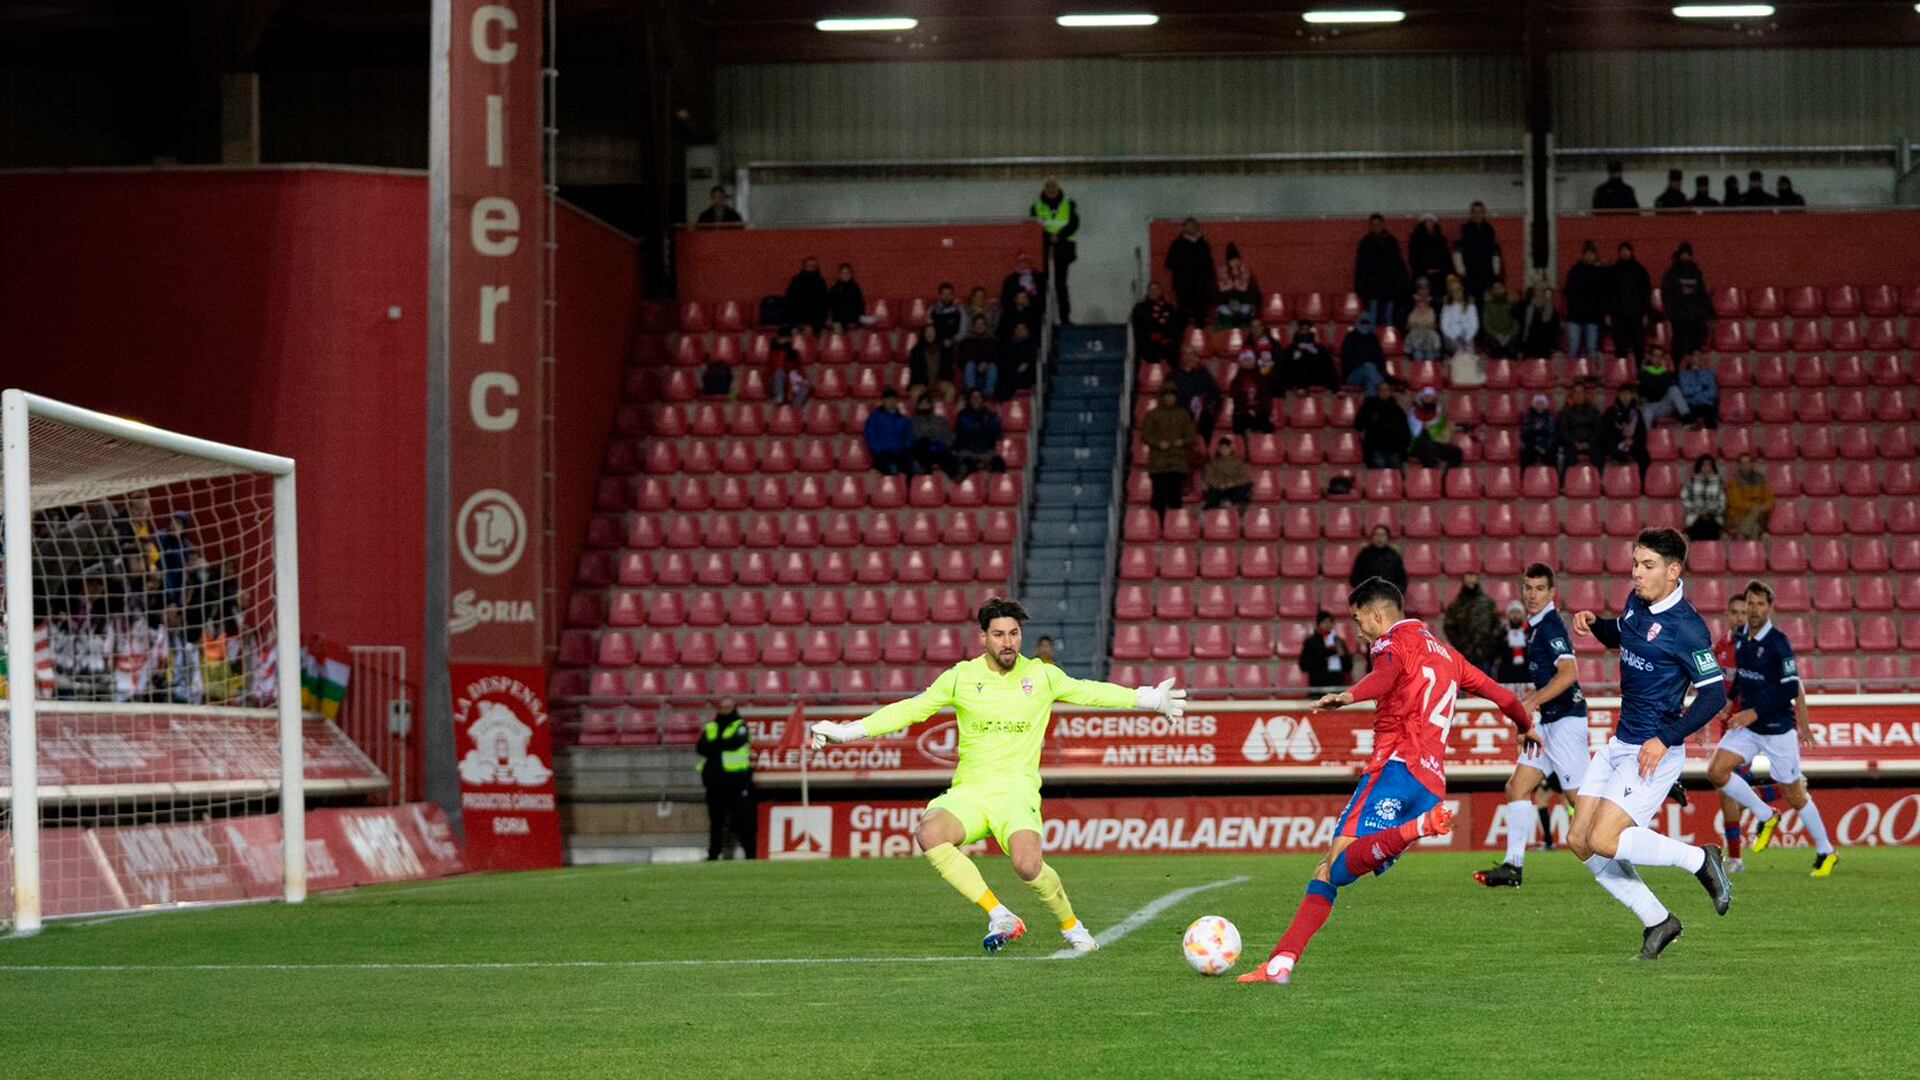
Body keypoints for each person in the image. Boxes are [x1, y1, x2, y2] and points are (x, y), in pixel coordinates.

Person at [809, 597, 1188, 954]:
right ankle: (999, 914)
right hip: (970, 792)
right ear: (983, 637)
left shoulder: (1042, 676)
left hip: (1016, 793)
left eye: (1014, 634)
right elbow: (912, 709)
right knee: (929, 834)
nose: (1008, 643)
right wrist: (849, 731)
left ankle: (1071, 926)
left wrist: (1149, 698)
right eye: (999, 635)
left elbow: (1090, 692)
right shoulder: (961, 677)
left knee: (1027, 866)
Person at [1239, 578, 1536, 985]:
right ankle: (1280, 963)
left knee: (1334, 870)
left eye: (1360, 622)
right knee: (1333, 868)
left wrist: (1349, 696)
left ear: (1378, 615)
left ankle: (1280, 964)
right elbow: (1502, 696)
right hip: (1431, 786)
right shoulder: (1450, 656)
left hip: (1395, 769)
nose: (1360, 632)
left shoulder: (1393, 644)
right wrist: (1525, 725)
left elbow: (1387, 675)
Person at [1567, 528, 1732, 960]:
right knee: (1579, 840)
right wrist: (1593, 625)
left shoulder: (1689, 629)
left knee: (1604, 840)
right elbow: (1623, 635)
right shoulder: (1636, 603)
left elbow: (1715, 695)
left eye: (1648, 565)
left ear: (1673, 571)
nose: (1636, 572)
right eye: (1636, 563)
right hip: (1621, 742)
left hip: (1652, 750)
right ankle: (1659, 920)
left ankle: (1700, 858)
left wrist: (1666, 738)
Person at [1708, 581, 1838, 877]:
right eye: (1750, 604)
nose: (1753, 610)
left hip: (1778, 729)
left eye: (1759, 604)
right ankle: (1766, 815)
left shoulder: (1779, 643)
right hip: (1749, 727)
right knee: (1716, 770)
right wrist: (1729, 702)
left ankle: (1826, 850)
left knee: (1795, 794)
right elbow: (1742, 677)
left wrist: (1754, 712)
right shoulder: (1741, 639)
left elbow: (1791, 686)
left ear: (1769, 608)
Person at [1475, 565, 1592, 888]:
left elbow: (1568, 673)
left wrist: (1532, 702)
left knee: (1580, 805)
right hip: (1550, 723)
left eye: (1539, 588)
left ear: (1552, 592)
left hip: (1566, 722)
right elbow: (1547, 677)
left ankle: (1624, 855)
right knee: (1517, 787)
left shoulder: (1551, 627)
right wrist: (1530, 700)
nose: (1532, 594)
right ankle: (1514, 866)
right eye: (1528, 587)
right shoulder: (1536, 627)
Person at [695, 698, 755, 860]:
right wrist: (720, 745)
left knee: (742, 820)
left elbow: (734, 743)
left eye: (728, 706)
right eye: (722, 707)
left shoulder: (739, 726)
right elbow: (700, 747)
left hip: (736, 781)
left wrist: (714, 746)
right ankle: (714, 853)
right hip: (714, 782)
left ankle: (751, 854)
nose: (725, 709)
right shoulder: (711, 727)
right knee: (716, 822)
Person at [1142, 388, 1197, 520]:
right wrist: (1158, 443)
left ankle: (1174, 527)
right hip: (1158, 463)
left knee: (1175, 497)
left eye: (1172, 395)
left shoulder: (1183, 414)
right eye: (1166, 395)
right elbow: (1145, 436)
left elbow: (1192, 436)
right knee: (1158, 497)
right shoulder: (1152, 414)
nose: (1169, 398)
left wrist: (1182, 442)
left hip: (1177, 462)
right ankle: (1156, 526)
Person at [1031, 177, 1078, 323]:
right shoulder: (1036, 206)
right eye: (1048, 186)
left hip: (1064, 249)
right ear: (1044, 188)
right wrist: (1049, 237)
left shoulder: (1069, 203)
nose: (1051, 189)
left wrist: (1059, 236)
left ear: (1058, 187)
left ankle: (1065, 318)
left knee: (1061, 285)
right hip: (1043, 250)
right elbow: (1032, 227)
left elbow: (1074, 223)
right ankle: (1043, 317)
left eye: (1053, 186)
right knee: (1042, 285)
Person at [1442, 572, 1503, 678]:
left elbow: (1497, 625)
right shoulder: (1456, 605)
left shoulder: (1488, 603)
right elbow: (1449, 627)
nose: (1470, 580)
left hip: (1486, 656)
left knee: (1488, 690)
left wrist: (1490, 645)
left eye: (1473, 576)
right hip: (1465, 656)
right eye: (1468, 577)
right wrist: (1461, 645)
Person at [1353, 212, 1409, 327]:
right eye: (1373, 225)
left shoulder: (1392, 242)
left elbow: (1398, 264)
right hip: (1372, 288)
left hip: (1390, 287)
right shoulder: (1365, 243)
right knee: (1372, 320)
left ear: (1383, 224)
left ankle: (1387, 342)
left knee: (1388, 320)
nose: (1376, 227)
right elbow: (1360, 267)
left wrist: (1402, 284)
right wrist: (1360, 286)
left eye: (1378, 224)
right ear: (1370, 226)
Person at [1661, 242, 1712, 363]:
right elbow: (1666, 294)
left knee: (1694, 346)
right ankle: (1677, 371)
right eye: (1683, 254)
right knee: (1678, 345)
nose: (1685, 257)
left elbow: (1702, 294)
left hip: (1694, 317)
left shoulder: (1697, 273)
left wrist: (1702, 312)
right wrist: (1670, 312)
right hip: (1678, 316)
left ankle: (1691, 372)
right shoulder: (1671, 274)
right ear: (1679, 255)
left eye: (1688, 254)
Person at [1164, 217, 1217, 328]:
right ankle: (1182, 342)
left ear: (1197, 227)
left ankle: (1200, 343)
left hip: (1200, 289)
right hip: (1183, 288)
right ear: (1183, 228)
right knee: (1183, 316)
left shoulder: (1203, 244)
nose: (1191, 228)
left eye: (1193, 226)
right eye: (1188, 225)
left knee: (1200, 317)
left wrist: (1208, 284)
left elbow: (1209, 266)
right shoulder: (1177, 244)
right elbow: (1169, 263)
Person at [1607, 241, 1653, 362]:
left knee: (1638, 345)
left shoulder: (1640, 270)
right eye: (1622, 251)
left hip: (1636, 314)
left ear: (1631, 252)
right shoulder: (1612, 271)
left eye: (1627, 250)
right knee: (1620, 346)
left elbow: (1646, 293)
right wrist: (1607, 313)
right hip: (1618, 315)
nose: (1624, 253)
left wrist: (1645, 313)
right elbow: (1607, 293)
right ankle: (1621, 372)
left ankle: (1639, 372)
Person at [1563, 241, 1608, 359]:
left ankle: (1591, 375)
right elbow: (1568, 292)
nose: (1589, 256)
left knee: (1591, 350)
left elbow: (1604, 294)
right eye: (1587, 253)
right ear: (1582, 255)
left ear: (1595, 255)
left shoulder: (1601, 272)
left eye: (1591, 254)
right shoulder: (1574, 271)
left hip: (1593, 317)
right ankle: (1572, 375)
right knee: (1573, 348)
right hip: (1575, 316)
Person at [1452, 201, 1502, 301]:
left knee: (1487, 302)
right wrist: (1461, 270)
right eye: (1474, 212)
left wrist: (1496, 269)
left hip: (1487, 274)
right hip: (1470, 275)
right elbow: (1457, 252)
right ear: (1471, 214)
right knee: (1471, 302)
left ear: (1484, 213)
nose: (1477, 215)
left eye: (1480, 212)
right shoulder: (1464, 230)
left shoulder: (1489, 230)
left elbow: (1495, 251)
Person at [1356, 379, 1410, 469]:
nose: (1384, 392)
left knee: (1394, 470)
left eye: (1387, 390)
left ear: (1390, 392)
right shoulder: (1368, 407)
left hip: (1393, 446)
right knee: (1379, 467)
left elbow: (1404, 430)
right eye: (1381, 390)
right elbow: (1358, 424)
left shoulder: (1397, 410)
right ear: (1377, 392)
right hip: (1374, 445)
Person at [1408, 387, 1464, 470]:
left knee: (1457, 452)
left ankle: (1447, 478)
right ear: (1422, 398)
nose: (1430, 400)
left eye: (1432, 398)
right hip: (1417, 444)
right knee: (1427, 448)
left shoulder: (1439, 412)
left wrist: (1453, 428)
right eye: (1427, 397)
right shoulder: (1414, 411)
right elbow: (1414, 428)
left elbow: (1443, 427)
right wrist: (1423, 426)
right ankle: (1432, 479)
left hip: (1435, 442)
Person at [953, 390, 1006, 477]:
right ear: (969, 400)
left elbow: (996, 426)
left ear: (982, 400)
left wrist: (983, 424)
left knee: (999, 464)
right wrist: (985, 424)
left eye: (978, 397)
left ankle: (995, 487)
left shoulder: (989, 414)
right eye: (973, 397)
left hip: (987, 451)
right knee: (966, 466)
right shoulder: (963, 415)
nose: (976, 399)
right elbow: (970, 428)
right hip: (968, 451)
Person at [1637, 343, 1692, 426]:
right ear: (1650, 357)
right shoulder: (1643, 373)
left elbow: (1665, 387)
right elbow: (1646, 391)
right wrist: (1655, 375)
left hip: (1663, 405)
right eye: (1655, 356)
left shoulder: (1666, 373)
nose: (1658, 359)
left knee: (1674, 389)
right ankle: (1647, 436)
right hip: (1649, 406)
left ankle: (1688, 419)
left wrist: (1663, 373)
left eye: (1660, 356)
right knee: (1647, 411)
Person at [864, 390, 917, 476]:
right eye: (888, 399)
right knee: (893, 470)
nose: (891, 402)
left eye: (894, 399)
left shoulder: (903, 419)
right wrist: (878, 450)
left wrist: (905, 446)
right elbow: (869, 436)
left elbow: (910, 435)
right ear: (883, 401)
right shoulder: (874, 417)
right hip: (882, 454)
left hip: (899, 453)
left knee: (914, 469)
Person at [1298, 610, 1354, 691]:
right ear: (1318, 625)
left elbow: (1348, 666)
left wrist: (1342, 655)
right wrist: (1328, 653)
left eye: (1330, 622)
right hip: (1319, 683)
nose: (1328, 625)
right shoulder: (1311, 642)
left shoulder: (1339, 641)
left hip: (1337, 682)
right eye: (1325, 622)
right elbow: (1304, 665)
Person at [1173, 347, 1222, 438]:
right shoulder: (1174, 375)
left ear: (1196, 357)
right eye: (1186, 354)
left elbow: (1215, 394)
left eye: (1192, 354)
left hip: (1201, 416)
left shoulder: (1204, 374)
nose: (1189, 358)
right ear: (1182, 357)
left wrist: (1205, 404)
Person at [1556, 381, 1605, 474]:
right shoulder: (1565, 411)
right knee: (1569, 457)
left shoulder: (1593, 411)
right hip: (1572, 443)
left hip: (1590, 442)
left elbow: (1598, 429)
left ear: (1586, 394)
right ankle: (1564, 484)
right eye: (1576, 393)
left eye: (1581, 392)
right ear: (1572, 394)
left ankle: (1599, 482)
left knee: (1598, 455)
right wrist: (1575, 442)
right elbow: (1563, 431)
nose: (1579, 395)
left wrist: (1589, 442)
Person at [1603, 384, 1650, 479]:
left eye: (1628, 394)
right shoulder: (1610, 411)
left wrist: (1633, 441)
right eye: (1622, 394)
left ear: (1632, 396)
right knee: (1616, 453)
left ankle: (1641, 483)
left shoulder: (1636, 413)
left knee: (1644, 456)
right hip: (1616, 443)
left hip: (1632, 443)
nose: (1625, 397)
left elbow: (1642, 433)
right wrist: (1621, 440)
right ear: (1618, 395)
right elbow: (1606, 432)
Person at [1131, 280, 1181, 367]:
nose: (1154, 292)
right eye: (1152, 290)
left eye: (1157, 289)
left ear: (1160, 291)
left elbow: (1174, 327)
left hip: (1165, 344)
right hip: (1147, 343)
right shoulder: (1140, 309)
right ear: (1148, 292)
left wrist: (1164, 337)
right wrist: (1150, 336)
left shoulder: (1168, 308)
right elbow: (1138, 328)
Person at [1349, 524, 1409, 596]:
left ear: (1388, 538)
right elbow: (1354, 579)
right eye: (1377, 535)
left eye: (1383, 535)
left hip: (1389, 598)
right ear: (1372, 537)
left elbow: (1402, 581)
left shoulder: (1394, 556)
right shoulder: (1364, 555)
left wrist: (1393, 594)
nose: (1380, 538)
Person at [1280, 320, 1338, 394]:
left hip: (1314, 377)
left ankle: (1335, 388)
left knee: (1327, 358)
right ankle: (1301, 387)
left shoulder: (1319, 348)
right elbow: (1285, 365)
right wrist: (1296, 356)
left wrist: (1315, 353)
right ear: (1298, 331)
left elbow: (1326, 364)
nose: (1305, 332)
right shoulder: (1291, 348)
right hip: (1295, 379)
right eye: (1302, 330)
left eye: (1307, 330)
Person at [1725, 453, 1775, 538]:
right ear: (1739, 465)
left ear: (1752, 464)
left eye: (1747, 463)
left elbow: (1771, 500)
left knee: (1754, 522)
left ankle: (1742, 534)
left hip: (1756, 515)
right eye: (1742, 463)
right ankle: (1752, 544)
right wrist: (1754, 507)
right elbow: (1736, 503)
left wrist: (1762, 508)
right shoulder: (1733, 482)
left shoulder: (1761, 480)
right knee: (1755, 528)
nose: (1745, 466)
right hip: (1738, 516)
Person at [907, 323, 956, 405]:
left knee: (951, 390)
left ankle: (944, 415)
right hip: (922, 382)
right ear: (923, 334)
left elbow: (948, 369)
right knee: (915, 393)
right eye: (927, 332)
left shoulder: (944, 350)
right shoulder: (916, 351)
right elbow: (915, 371)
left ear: (936, 333)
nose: (930, 334)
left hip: (939, 381)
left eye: (932, 332)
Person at [910, 395, 957, 479]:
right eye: (922, 404)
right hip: (922, 449)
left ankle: (953, 480)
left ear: (931, 405)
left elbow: (949, 435)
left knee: (948, 456)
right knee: (923, 443)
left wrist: (943, 444)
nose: (924, 406)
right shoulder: (913, 421)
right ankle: (927, 476)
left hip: (939, 448)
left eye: (927, 403)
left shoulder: (940, 420)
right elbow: (914, 437)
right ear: (918, 406)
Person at [1228, 352, 1276, 435]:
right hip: (1243, 411)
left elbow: (1265, 397)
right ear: (1241, 362)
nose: (1248, 362)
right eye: (1245, 360)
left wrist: (1256, 410)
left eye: (1250, 360)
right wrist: (1247, 410)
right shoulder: (1237, 379)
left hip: (1259, 410)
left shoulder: (1261, 376)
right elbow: (1236, 399)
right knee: (1238, 426)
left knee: (1268, 427)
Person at [1201, 437, 1254, 511]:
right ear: (1219, 449)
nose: (1224, 450)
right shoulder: (1213, 463)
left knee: (1246, 486)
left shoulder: (1238, 462)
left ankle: (1230, 503)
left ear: (1230, 449)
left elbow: (1245, 477)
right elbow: (1209, 477)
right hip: (1219, 488)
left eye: (1226, 448)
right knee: (1209, 488)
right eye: (1222, 448)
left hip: (1233, 489)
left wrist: (1233, 483)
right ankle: (1207, 509)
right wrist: (1219, 484)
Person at [1214, 243, 1260, 329]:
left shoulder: (1247, 273)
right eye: (1232, 260)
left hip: (1243, 304)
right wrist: (1228, 302)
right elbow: (1216, 293)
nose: (1234, 262)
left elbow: (1253, 292)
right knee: (1223, 310)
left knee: (1246, 310)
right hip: (1226, 304)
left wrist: (1241, 302)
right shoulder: (1220, 274)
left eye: (1236, 259)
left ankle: (1244, 332)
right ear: (1228, 261)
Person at [1681, 455, 1726, 541]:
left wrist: (1712, 511)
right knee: (1699, 525)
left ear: (1713, 467)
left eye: (1709, 465)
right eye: (1704, 465)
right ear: (1699, 466)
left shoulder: (1719, 482)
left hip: (1713, 517)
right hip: (1696, 516)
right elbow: (1685, 498)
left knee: (1709, 524)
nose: (1706, 467)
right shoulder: (1691, 481)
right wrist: (1697, 510)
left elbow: (1722, 503)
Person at [1407, 214, 1452, 298]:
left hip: (1440, 276)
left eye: (1431, 222)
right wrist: (1424, 270)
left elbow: (1446, 258)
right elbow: (1413, 259)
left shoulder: (1441, 239)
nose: (1429, 224)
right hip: (1422, 275)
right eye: (1427, 222)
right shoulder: (1416, 240)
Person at [1340, 314, 1387, 392]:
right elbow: (1346, 360)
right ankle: (1383, 387)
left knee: (1370, 382)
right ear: (1357, 323)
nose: (1365, 325)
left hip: (1371, 373)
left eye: (1367, 323)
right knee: (1368, 367)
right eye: (1362, 322)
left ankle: (1371, 402)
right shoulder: (1350, 337)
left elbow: (1381, 360)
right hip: (1352, 375)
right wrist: (1362, 362)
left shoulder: (1373, 339)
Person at [957, 314, 999, 400]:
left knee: (993, 366)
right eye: (977, 324)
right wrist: (977, 364)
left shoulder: (993, 342)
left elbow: (997, 357)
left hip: (988, 373)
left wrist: (985, 363)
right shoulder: (966, 342)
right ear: (973, 326)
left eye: (982, 324)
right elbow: (962, 359)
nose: (979, 327)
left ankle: (988, 396)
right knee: (969, 365)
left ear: (986, 326)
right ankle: (971, 394)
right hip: (971, 373)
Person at [769, 325, 812, 406]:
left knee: (805, 386)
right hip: (775, 381)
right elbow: (777, 367)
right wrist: (783, 348)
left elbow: (799, 368)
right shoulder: (774, 348)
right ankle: (779, 397)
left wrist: (804, 379)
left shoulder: (794, 352)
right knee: (780, 372)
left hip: (790, 380)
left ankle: (795, 408)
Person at [784, 256, 830, 331]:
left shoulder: (821, 282)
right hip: (798, 323)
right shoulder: (796, 281)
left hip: (817, 324)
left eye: (813, 265)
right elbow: (790, 302)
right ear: (803, 266)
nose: (811, 267)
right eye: (808, 265)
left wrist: (817, 324)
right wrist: (796, 323)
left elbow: (824, 303)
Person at [1517, 282, 1561, 358]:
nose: (1539, 292)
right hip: (1529, 345)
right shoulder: (1526, 305)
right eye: (1537, 290)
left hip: (1545, 346)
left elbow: (1555, 328)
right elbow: (1520, 325)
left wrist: (1554, 346)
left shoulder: (1550, 308)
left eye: (1541, 290)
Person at [1478, 280, 1519, 359]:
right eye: (1495, 288)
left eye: (1499, 287)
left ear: (1504, 289)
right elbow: (1486, 324)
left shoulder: (1510, 302)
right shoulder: (1488, 305)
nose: (1497, 290)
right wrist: (1497, 336)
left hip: (1509, 336)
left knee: (1512, 349)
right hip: (1494, 336)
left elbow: (1516, 323)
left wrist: (1509, 336)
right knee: (1495, 349)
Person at [1439, 278, 1480, 357]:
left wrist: (1468, 337)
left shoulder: (1471, 305)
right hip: (1451, 336)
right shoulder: (1447, 306)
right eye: (1453, 291)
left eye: (1459, 290)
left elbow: (1474, 324)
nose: (1456, 293)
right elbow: (1444, 325)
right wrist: (1453, 337)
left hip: (1468, 336)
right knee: (1459, 350)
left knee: (1469, 351)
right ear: (1451, 293)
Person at [1000, 322, 1038, 401]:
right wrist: (1016, 370)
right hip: (1012, 377)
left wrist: (1028, 364)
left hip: (1029, 377)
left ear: (1028, 331)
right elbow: (1005, 363)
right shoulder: (1008, 346)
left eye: (1023, 328)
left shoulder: (1034, 345)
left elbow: (1034, 360)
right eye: (1018, 329)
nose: (1020, 331)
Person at [1404, 284, 1442, 362]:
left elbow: (1433, 325)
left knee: (1430, 356)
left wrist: (1424, 324)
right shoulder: (1413, 312)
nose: (1422, 304)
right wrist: (1418, 324)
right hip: (1417, 341)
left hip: (1428, 343)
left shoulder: (1431, 311)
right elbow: (1409, 325)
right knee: (1418, 355)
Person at [1519, 393, 1558, 469]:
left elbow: (1553, 432)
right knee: (1525, 456)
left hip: (1545, 444)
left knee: (1551, 456)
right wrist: (1533, 428)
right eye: (1538, 403)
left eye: (1542, 403)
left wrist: (1543, 427)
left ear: (1545, 405)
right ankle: (1523, 477)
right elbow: (1523, 433)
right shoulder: (1529, 417)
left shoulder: (1549, 417)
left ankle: (1554, 478)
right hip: (1531, 445)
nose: (1540, 405)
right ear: (1534, 405)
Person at [827, 262, 867, 331]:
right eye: (843, 273)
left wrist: (856, 322)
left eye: (847, 273)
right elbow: (830, 307)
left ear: (851, 275)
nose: (845, 275)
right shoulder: (834, 290)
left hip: (854, 322)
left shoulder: (856, 289)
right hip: (838, 323)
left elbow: (860, 307)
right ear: (839, 275)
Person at [929, 282, 964, 350]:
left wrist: (952, 340)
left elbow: (963, 331)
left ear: (953, 295)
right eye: (944, 294)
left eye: (949, 294)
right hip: (937, 345)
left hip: (955, 344)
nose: (946, 297)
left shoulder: (960, 310)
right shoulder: (932, 310)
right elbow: (928, 330)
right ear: (939, 296)